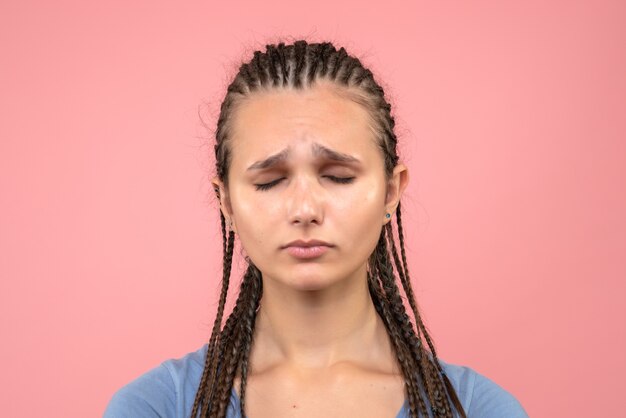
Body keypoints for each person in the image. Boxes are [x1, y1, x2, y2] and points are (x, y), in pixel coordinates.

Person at [103, 40, 528, 418]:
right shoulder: (156, 407)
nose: (304, 209)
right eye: (269, 181)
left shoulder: (476, 409)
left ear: (391, 192)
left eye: (339, 176)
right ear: (227, 202)